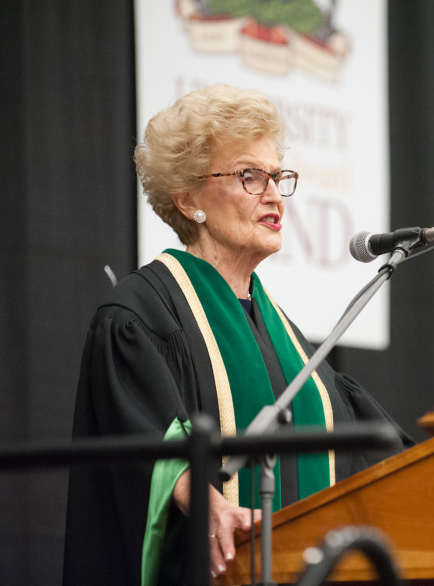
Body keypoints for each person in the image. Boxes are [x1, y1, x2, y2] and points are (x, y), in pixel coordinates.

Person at [63, 84, 412, 586]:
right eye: (250, 176)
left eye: (278, 177)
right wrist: (209, 505)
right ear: (187, 199)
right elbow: (145, 436)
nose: (274, 195)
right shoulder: (139, 314)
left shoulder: (286, 337)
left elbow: (370, 453)